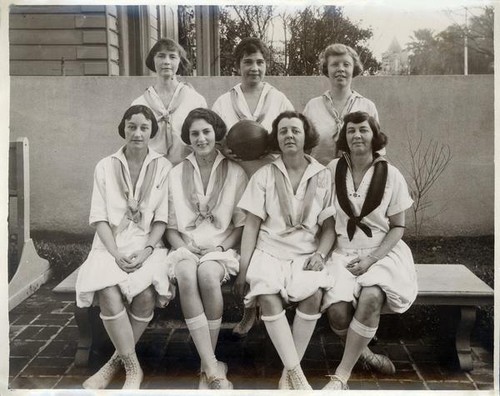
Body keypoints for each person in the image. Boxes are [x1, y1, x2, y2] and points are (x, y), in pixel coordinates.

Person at [75, 105, 173, 389]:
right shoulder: (105, 166)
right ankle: (132, 368)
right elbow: (99, 218)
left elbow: (162, 220)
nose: (138, 133)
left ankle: (111, 366)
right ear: (124, 128)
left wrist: (147, 251)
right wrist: (116, 254)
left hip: (147, 247)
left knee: (144, 295)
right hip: (110, 245)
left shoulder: (163, 166)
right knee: (107, 290)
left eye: (144, 127)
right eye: (132, 126)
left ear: (152, 131)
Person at [237, 111, 335, 390]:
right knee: (266, 296)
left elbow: (329, 228)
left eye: (295, 130)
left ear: (307, 136)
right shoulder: (265, 175)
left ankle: (286, 376)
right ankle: (297, 377)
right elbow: (252, 226)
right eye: (283, 131)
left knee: (313, 294)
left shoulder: (322, 175)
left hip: (306, 253)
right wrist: (244, 270)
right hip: (269, 252)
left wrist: (320, 255)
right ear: (276, 139)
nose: (289, 135)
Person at [321, 111, 417, 390]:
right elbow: (327, 222)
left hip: (381, 252)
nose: (357, 136)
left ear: (374, 136)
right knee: (337, 311)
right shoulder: (331, 169)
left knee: (371, 296)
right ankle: (368, 356)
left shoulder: (391, 173)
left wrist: (371, 259)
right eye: (351, 131)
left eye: (363, 130)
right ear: (344, 137)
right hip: (343, 252)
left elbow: (398, 227)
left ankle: (341, 376)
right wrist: (321, 254)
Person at [212, 37, 294, 338]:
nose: (254, 67)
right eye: (248, 61)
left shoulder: (279, 99)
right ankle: (248, 310)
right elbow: (214, 139)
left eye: (259, 61)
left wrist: (270, 150)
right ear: (238, 66)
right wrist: (225, 151)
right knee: (241, 238)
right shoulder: (224, 101)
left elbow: (290, 136)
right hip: (235, 177)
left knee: (264, 240)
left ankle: (265, 307)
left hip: (269, 176)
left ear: (266, 65)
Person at [165, 108, 248, 390]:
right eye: (195, 134)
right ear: (188, 139)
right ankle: (212, 366)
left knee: (208, 275)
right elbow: (170, 226)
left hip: (221, 247)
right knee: (187, 274)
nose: (201, 139)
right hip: (185, 245)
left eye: (206, 132)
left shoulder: (235, 172)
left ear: (216, 134)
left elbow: (240, 225)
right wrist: (183, 246)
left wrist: (221, 246)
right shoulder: (176, 173)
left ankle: (206, 366)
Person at [132, 38, 207, 165]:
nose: (166, 62)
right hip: (152, 171)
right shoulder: (140, 104)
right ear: (153, 60)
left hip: (186, 169)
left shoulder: (195, 100)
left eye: (172, 57)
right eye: (161, 56)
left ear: (180, 61)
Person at [304, 43, 379, 166]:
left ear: (353, 68)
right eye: (334, 64)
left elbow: (377, 151)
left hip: (356, 181)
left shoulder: (367, 107)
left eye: (346, 64)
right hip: (319, 179)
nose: (341, 69)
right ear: (327, 69)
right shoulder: (313, 106)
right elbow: (304, 151)